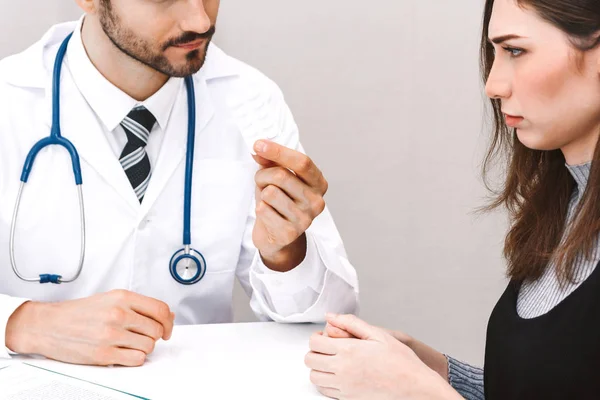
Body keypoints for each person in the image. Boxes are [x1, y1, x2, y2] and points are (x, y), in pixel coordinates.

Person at [0, 0, 359, 367]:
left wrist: (285, 254)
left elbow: (326, 327)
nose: (199, 20)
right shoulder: (8, 99)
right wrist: (25, 324)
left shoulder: (250, 99)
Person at [305, 0, 600, 398]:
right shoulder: (567, 207)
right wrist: (433, 370)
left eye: (515, 50)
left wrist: (417, 392)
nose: (493, 84)